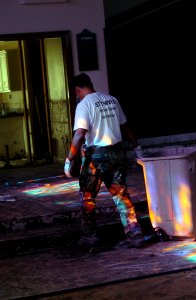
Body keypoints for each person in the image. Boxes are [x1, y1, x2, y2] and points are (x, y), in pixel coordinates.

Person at [64, 73, 145, 249]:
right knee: (121, 194)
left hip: (96, 157)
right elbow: (125, 127)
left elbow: (79, 134)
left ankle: (91, 235)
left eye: (76, 92)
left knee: (87, 196)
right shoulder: (111, 100)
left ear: (77, 90)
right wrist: (136, 147)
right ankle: (134, 233)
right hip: (117, 154)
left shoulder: (84, 105)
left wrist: (69, 159)